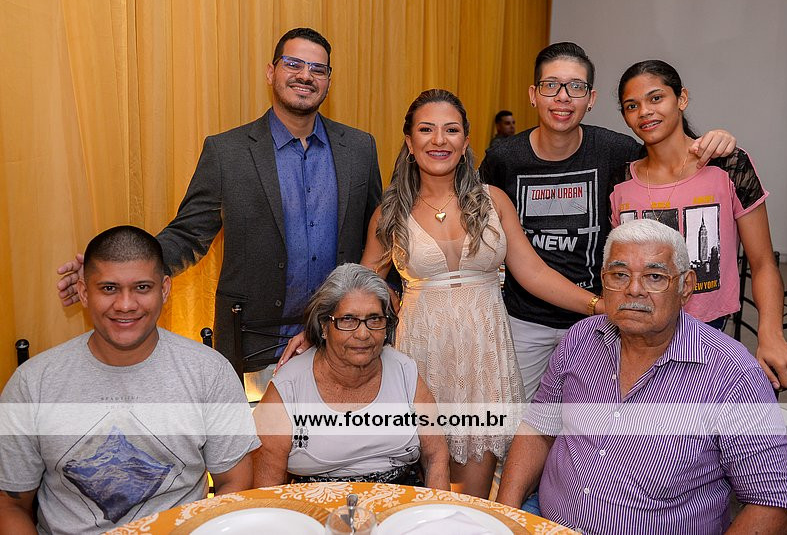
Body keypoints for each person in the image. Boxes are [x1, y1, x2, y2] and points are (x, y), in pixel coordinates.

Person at [56, 28, 383, 380]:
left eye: (318, 69)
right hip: (255, 346)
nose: (305, 75)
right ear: (271, 72)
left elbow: (380, 236)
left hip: (343, 339)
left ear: (328, 81)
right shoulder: (227, 153)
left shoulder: (359, 149)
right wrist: (113, 269)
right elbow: (187, 235)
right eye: (293, 64)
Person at [356, 89, 604, 499]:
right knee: (424, 487)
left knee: (471, 496)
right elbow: (364, 282)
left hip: (483, 359)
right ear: (409, 142)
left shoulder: (494, 201)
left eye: (451, 130)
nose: (439, 140)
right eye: (426, 130)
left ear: (466, 141)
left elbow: (534, 273)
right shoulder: (390, 212)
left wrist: (598, 305)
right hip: (423, 355)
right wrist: (324, 326)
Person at [497, 219, 787, 534]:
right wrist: (504, 516)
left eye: (655, 277)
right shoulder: (580, 339)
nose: (634, 289)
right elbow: (538, 429)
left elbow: (772, 504)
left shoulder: (733, 376)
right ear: (603, 281)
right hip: (544, 521)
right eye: (619, 275)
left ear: (685, 286)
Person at [479, 42, 738, 402]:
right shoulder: (504, 158)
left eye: (576, 86)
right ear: (533, 95)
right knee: (516, 417)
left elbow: (669, 162)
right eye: (551, 85)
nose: (563, 96)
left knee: (593, 418)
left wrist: (715, 139)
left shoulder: (617, 151)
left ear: (591, 98)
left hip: (602, 322)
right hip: (526, 320)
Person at [0, 226, 259, 534]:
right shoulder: (33, 383)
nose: (125, 304)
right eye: (109, 288)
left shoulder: (209, 373)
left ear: (164, 289)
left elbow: (236, 483)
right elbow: (10, 504)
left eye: (142, 287)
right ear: (84, 292)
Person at [609, 59, 787, 389]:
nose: (645, 112)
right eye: (632, 105)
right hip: (636, 334)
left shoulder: (728, 166)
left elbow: (763, 263)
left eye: (656, 98)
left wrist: (771, 333)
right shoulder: (621, 181)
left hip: (708, 333)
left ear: (681, 98)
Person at [252, 263, 450, 488]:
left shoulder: (405, 372)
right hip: (315, 503)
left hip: (400, 500)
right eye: (348, 319)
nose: (363, 333)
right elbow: (267, 486)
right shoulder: (289, 387)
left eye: (374, 319)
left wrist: (437, 509)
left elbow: (436, 457)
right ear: (324, 326)